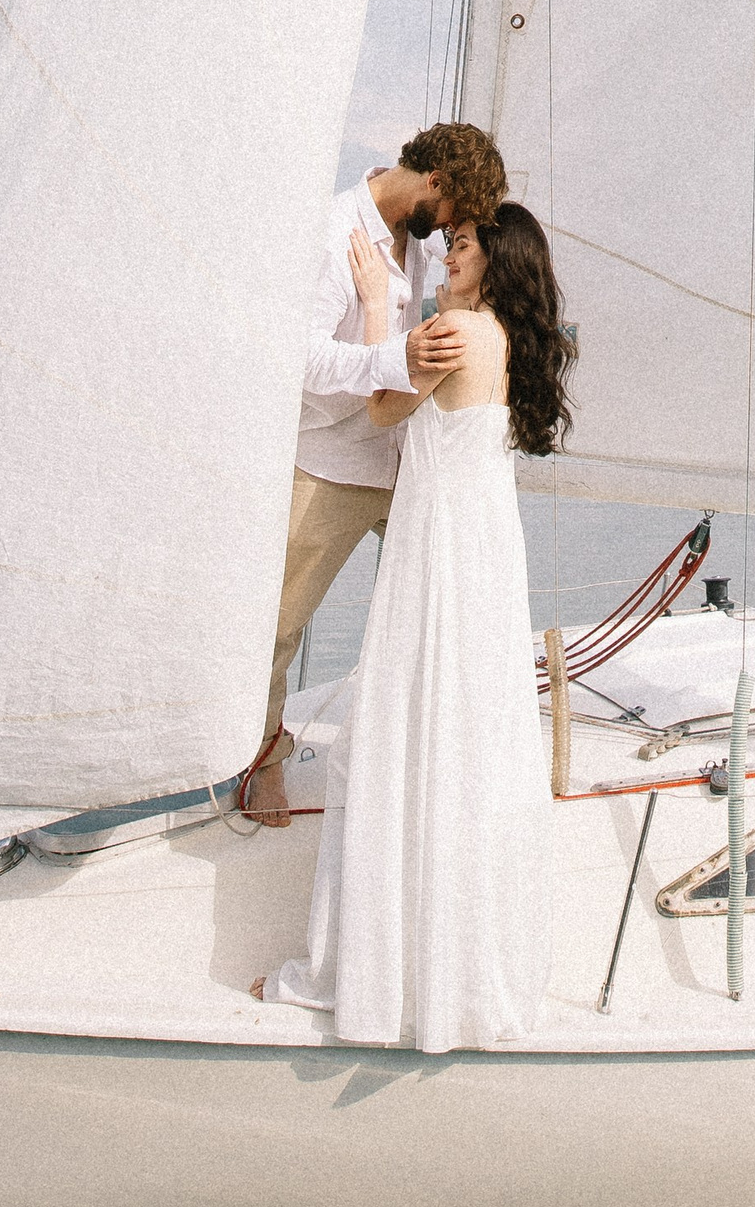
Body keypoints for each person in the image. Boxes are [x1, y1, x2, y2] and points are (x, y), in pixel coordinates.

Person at [259, 200, 573, 1050]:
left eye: (462, 245)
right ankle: (455, 956)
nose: (445, 254)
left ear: (493, 259)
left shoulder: (457, 332)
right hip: (477, 540)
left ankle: (378, 969)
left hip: (439, 540)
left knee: (412, 716)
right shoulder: (501, 334)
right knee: (463, 727)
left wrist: (373, 300)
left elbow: (382, 409)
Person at [238, 122, 507, 829]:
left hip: (405, 455)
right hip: (331, 459)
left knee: (452, 598)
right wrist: (391, 359)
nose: (449, 234)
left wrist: (402, 355)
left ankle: (465, 751)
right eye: (453, 215)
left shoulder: (411, 244)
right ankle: (263, 760)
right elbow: (299, 360)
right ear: (435, 185)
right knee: (280, 624)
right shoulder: (332, 233)